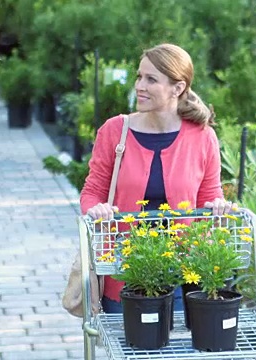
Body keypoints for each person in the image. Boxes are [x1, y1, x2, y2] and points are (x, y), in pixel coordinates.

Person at [80, 43, 235, 313]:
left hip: (181, 270)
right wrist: (96, 209)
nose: (140, 85)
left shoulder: (202, 136)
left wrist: (218, 207)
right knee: (128, 351)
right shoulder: (115, 131)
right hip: (123, 269)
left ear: (178, 88)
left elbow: (210, 195)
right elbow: (92, 191)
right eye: (139, 76)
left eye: (151, 79)